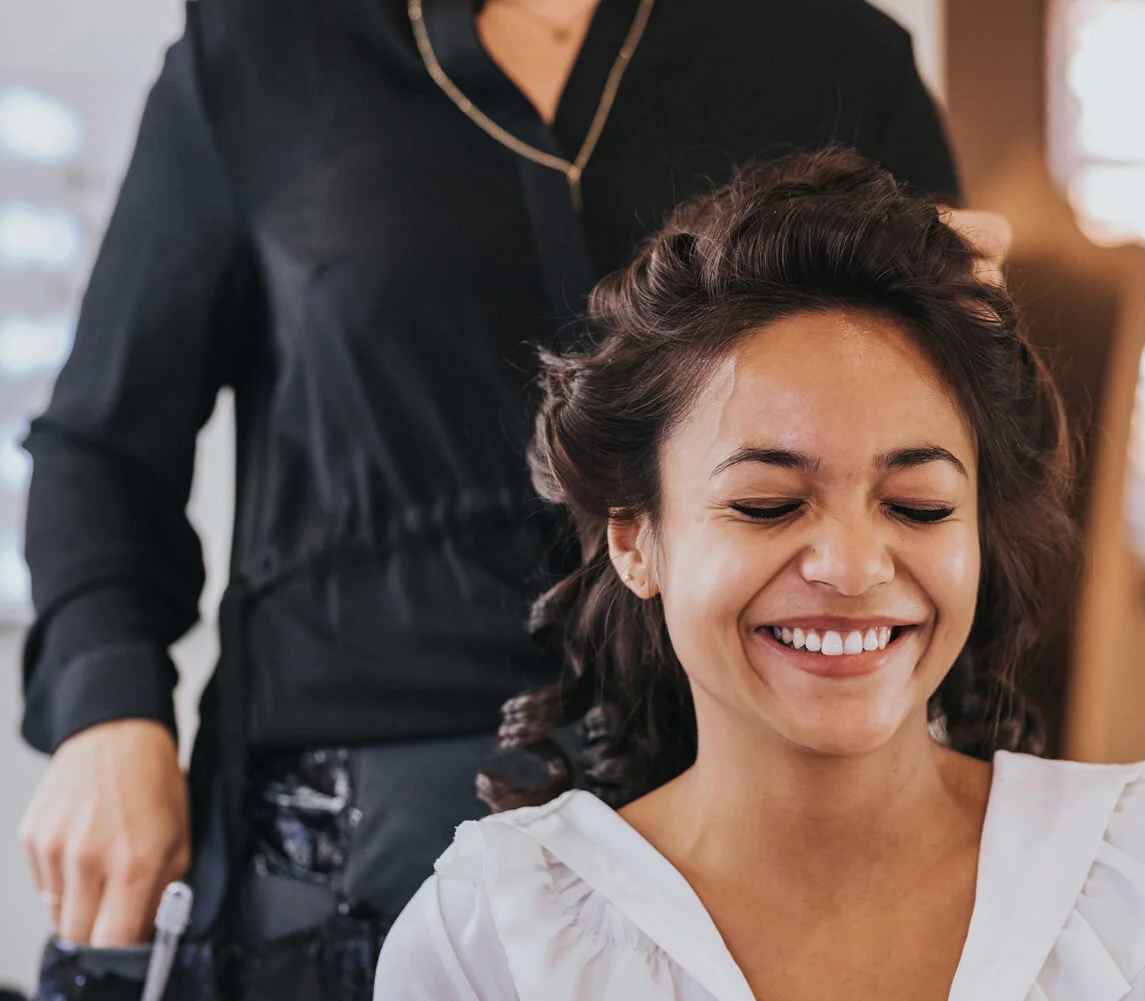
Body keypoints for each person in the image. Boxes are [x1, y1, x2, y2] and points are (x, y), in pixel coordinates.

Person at [15, 0, 1010, 994]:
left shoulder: (836, 54)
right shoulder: (260, 47)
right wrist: (108, 712)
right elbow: (103, 448)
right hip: (345, 834)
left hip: (713, 809)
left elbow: (924, 445)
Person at [373, 148, 1145, 1001]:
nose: (854, 566)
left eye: (918, 505)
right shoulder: (489, 942)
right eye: (767, 503)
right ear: (634, 538)